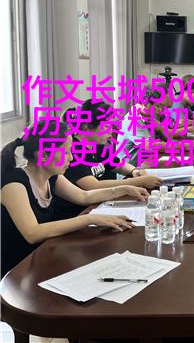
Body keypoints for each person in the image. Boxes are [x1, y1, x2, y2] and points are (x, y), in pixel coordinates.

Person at [1, 122, 148, 277]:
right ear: (43, 155)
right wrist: (90, 219)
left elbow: (84, 196)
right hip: (17, 271)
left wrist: (123, 189)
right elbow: (32, 233)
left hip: (43, 257)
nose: (71, 158)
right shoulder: (14, 184)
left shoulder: (52, 177)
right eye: (65, 152)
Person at [57, 99, 162, 218]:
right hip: (80, 213)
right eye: (106, 126)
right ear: (87, 127)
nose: (110, 131)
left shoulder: (96, 144)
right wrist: (140, 181)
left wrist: (134, 171)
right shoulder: (74, 151)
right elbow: (93, 186)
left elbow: (119, 165)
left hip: (101, 204)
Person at [117, 84, 173, 166]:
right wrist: (182, 146)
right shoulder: (133, 118)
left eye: (162, 106)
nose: (161, 110)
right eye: (158, 106)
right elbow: (149, 146)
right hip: (128, 169)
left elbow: (169, 138)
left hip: (145, 162)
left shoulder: (149, 115)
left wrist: (161, 128)